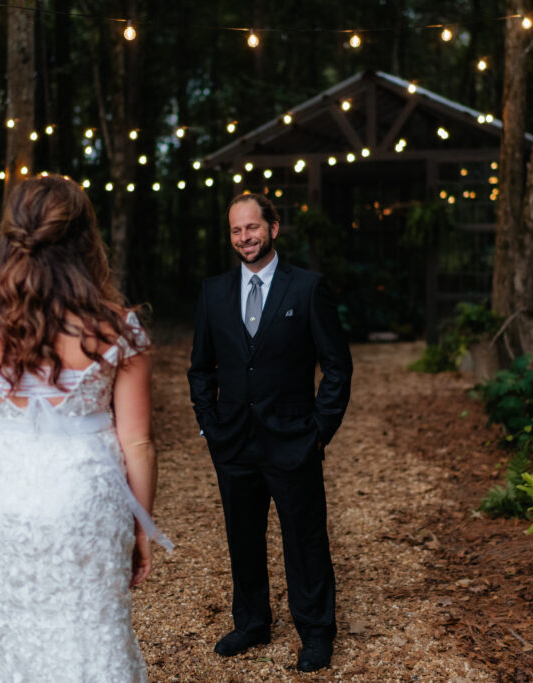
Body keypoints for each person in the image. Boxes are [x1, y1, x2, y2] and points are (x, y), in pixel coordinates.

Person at [0, 176, 172, 681]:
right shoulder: (115, 325)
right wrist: (142, 528)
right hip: (85, 500)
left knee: (4, 635)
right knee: (90, 635)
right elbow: (138, 441)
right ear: (85, 240)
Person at [187, 193, 352, 673]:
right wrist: (209, 424)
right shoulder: (213, 292)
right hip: (233, 441)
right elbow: (201, 367)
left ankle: (317, 632)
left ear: (273, 228)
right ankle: (253, 622)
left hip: (293, 438)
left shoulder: (307, 288)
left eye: (252, 228)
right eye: (236, 231)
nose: (245, 239)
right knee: (243, 535)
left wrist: (319, 429)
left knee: (305, 539)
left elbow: (337, 367)